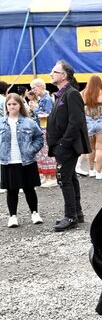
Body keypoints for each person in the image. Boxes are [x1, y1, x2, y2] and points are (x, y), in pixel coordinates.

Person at [46, 60, 91, 231]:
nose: (51, 74)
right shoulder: (61, 94)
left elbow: (76, 121)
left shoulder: (71, 94)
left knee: (64, 179)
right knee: (70, 178)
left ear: (64, 75)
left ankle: (70, 216)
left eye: (54, 71)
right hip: (63, 145)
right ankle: (76, 213)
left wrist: (64, 143)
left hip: (67, 146)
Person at [0, 93, 44, 227]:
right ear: (6, 106)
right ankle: (12, 216)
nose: (11, 106)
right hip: (8, 161)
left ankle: (35, 213)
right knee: (11, 190)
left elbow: (39, 137)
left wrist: (32, 149)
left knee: (29, 188)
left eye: (14, 104)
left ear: (20, 105)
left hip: (27, 160)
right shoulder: (1, 122)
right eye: (9, 104)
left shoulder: (29, 122)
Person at [78, 75, 102, 179]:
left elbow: (79, 108)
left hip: (88, 123)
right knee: (100, 148)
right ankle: (99, 172)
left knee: (91, 148)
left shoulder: (82, 94)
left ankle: (91, 170)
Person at [30, 78, 56, 187]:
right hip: (42, 128)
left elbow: (47, 114)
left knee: (47, 153)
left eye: (34, 88)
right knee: (42, 154)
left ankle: (52, 177)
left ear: (40, 86)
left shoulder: (47, 99)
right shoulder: (43, 98)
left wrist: (35, 109)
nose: (33, 90)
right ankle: (46, 176)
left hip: (46, 129)